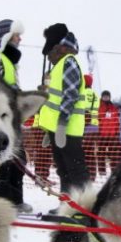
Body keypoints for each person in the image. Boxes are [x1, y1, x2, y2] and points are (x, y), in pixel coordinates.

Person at [0, 19, 33, 213]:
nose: (20, 39)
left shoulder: (9, 60)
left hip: (11, 119)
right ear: (6, 37)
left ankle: (16, 200)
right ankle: (4, 203)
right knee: (4, 163)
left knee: (18, 160)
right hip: (0, 121)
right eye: (16, 35)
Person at [38, 23, 90, 201]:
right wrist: (50, 128)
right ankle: (67, 205)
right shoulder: (59, 65)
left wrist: (61, 124)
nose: (49, 57)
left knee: (75, 169)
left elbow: (70, 95)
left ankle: (84, 207)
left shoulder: (68, 63)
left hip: (68, 129)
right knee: (63, 170)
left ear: (58, 48)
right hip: (58, 129)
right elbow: (54, 100)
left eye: (50, 51)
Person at [97, 90, 121, 176]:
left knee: (114, 154)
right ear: (102, 97)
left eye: (107, 96)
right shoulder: (99, 106)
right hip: (102, 134)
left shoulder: (113, 107)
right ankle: (102, 171)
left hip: (112, 134)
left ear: (109, 97)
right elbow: (97, 119)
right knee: (101, 154)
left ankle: (114, 170)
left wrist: (117, 132)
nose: (106, 98)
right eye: (104, 96)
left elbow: (116, 120)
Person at [81, 74, 100, 180]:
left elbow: (81, 109)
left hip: (84, 126)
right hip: (94, 126)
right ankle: (93, 174)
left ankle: (86, 175)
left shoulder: (82, 93)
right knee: (91, 152)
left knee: (83, 152)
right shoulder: (95, 94)